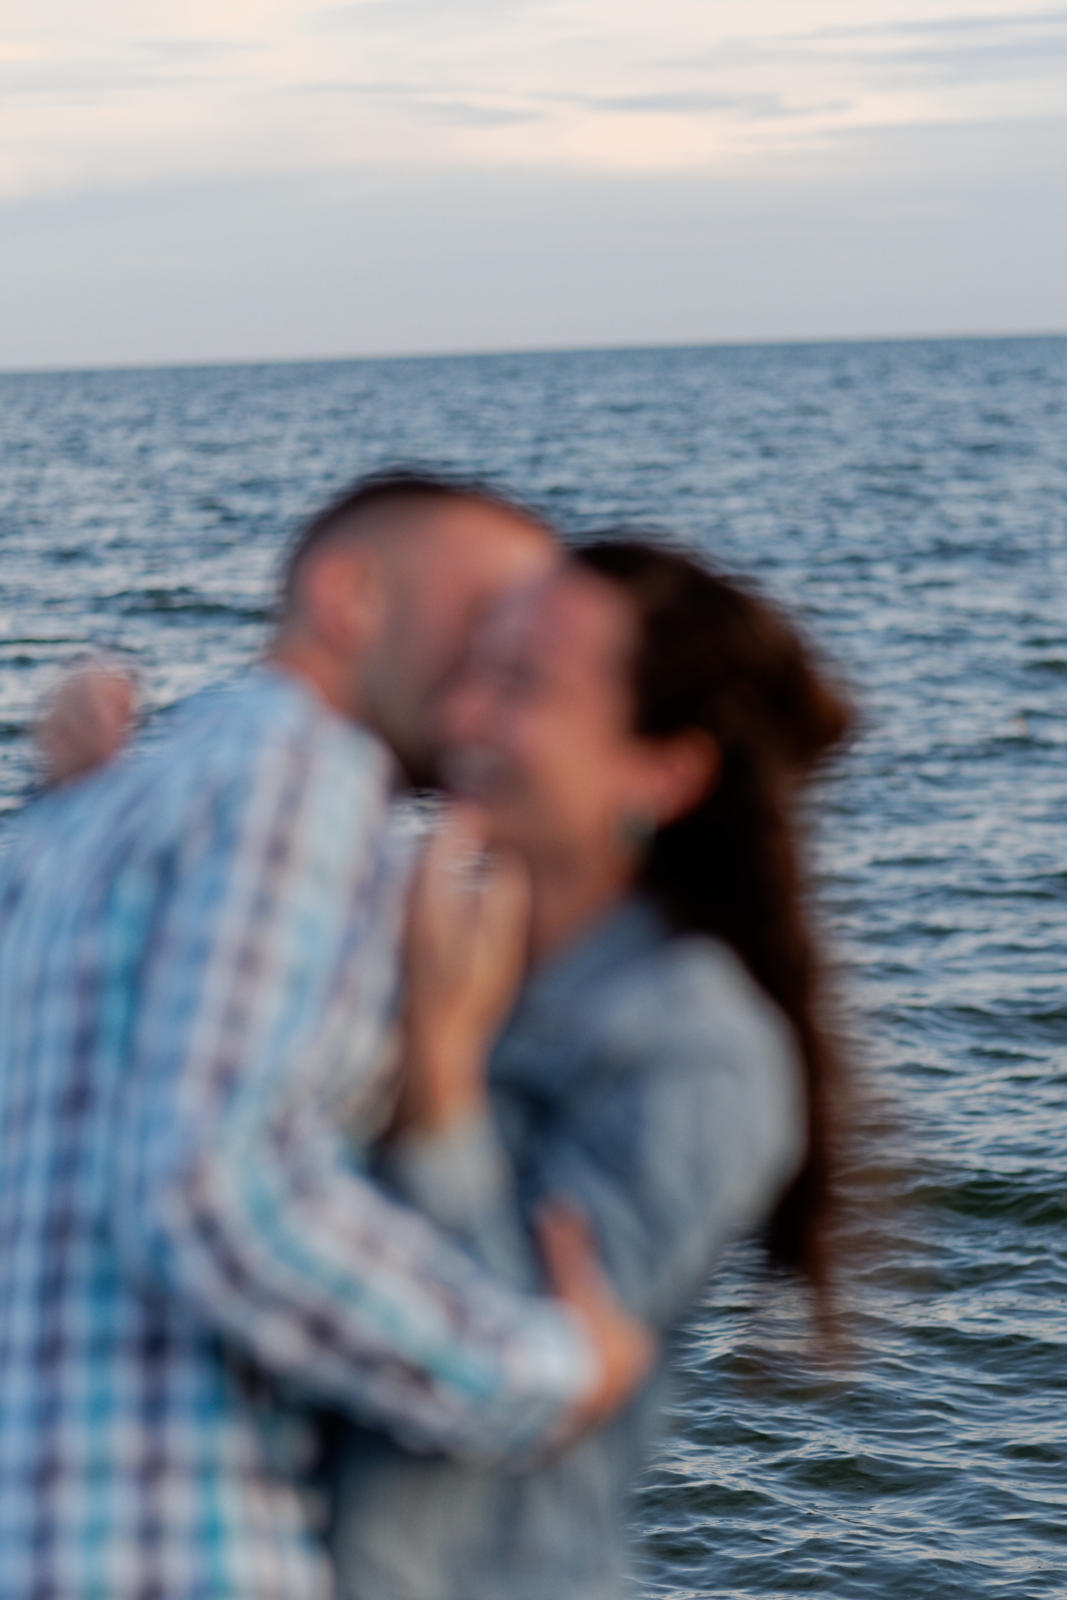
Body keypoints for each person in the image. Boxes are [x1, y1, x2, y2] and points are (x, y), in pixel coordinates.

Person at [0, 474, 653, 1600]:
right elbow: (211, 1189)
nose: (503, 676)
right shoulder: (305, 775)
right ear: (349, 598)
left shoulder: (106, 815)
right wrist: (537, 1366)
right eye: (484, 622)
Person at [330, 537, 855, 1600]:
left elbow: (493, 1377)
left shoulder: (699, 1052)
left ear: (662, 769)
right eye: (479, 664)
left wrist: (438, 1079)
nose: (465, 712)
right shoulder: (429, 934)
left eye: (521, 684)